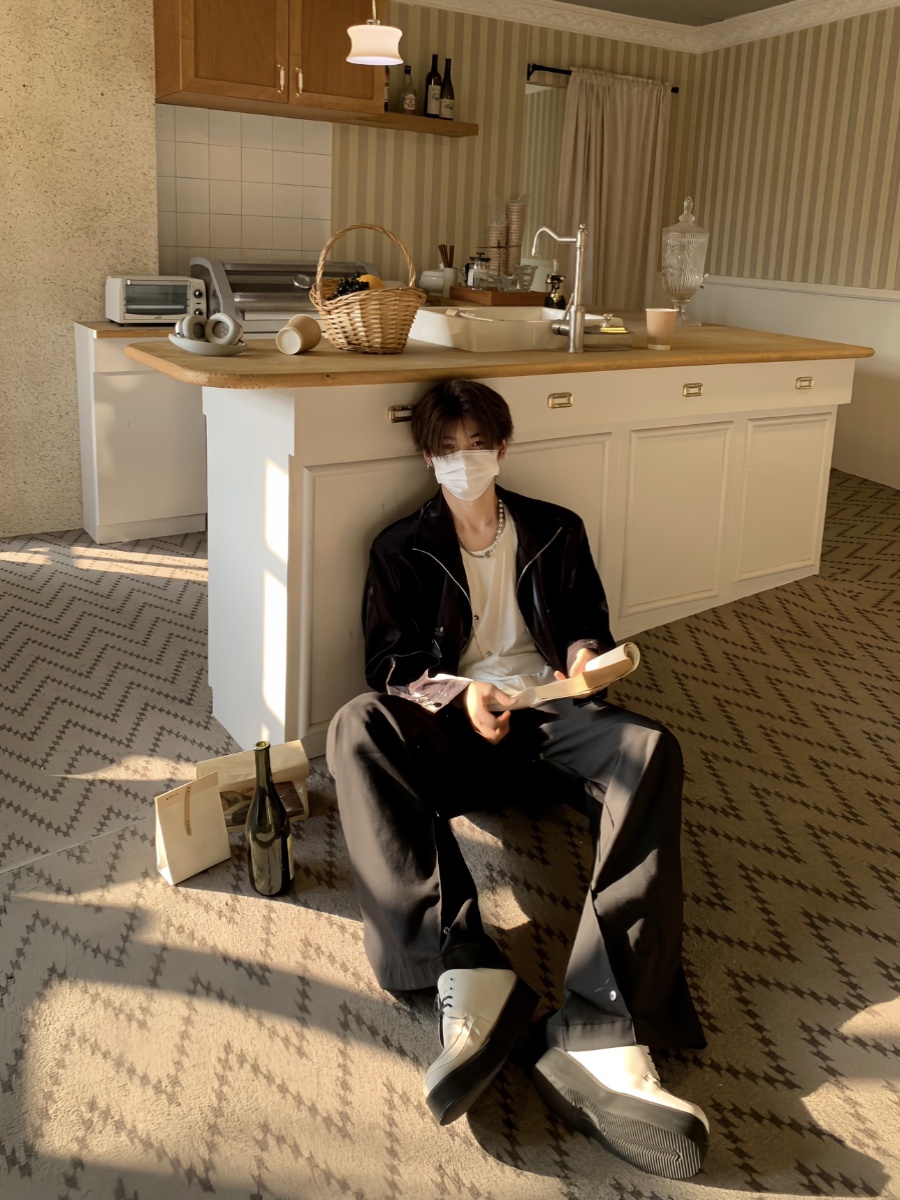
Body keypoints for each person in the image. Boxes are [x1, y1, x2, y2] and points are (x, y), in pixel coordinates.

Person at [326, 379, 709, 1180]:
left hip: (552, 717)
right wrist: (463, 694)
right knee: (355, 728)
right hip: (458, 724)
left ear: (503, 448)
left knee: (651, 749)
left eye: (477, 445)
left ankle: (602, 1026)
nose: (463, 461)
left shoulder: (555, 529)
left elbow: (586, 626)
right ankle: (463, 963)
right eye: (447, 449)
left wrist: (583, 659)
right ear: (427, 458)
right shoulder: (399, 548)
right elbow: (390, 665)